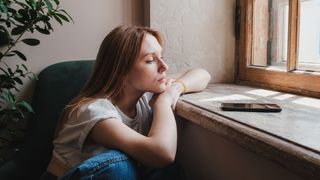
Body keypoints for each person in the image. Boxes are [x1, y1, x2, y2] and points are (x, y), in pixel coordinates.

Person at [42, 25, 211, 179]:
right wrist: (164, 102)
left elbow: (202, 74)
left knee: (166, 173)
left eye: (161, 56)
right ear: (121, 71)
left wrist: (177, 88)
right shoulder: (94, 111)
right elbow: (163, 154)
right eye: (150, 60)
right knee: (119, 167)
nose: (164, 66)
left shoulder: (144, 93)